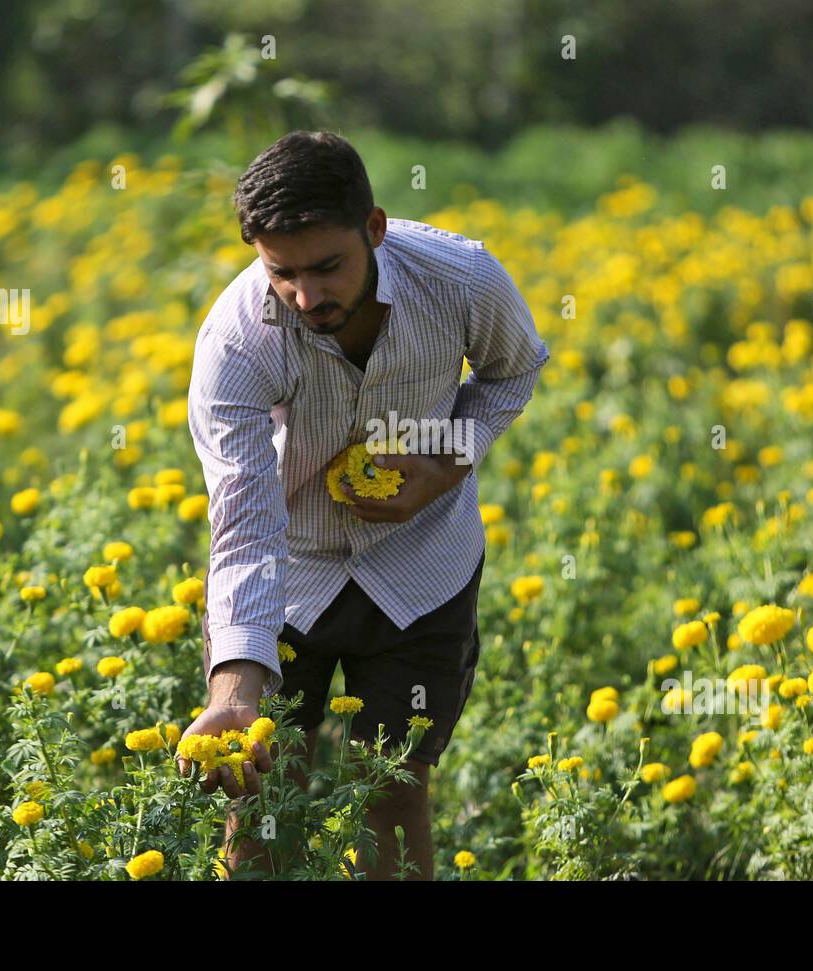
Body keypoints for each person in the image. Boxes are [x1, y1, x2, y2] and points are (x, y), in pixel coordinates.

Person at [179, 129, 549, 879]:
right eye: (282, 273)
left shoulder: (461, 280)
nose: (307, 297)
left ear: (374, 228)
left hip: (422, 568)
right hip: (292, 572)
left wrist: (442, 466)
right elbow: (246, 523)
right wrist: (235, 687)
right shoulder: (236, 340)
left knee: (393, 791)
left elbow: (513, 372)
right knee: (262, 794)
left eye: (328, 266)